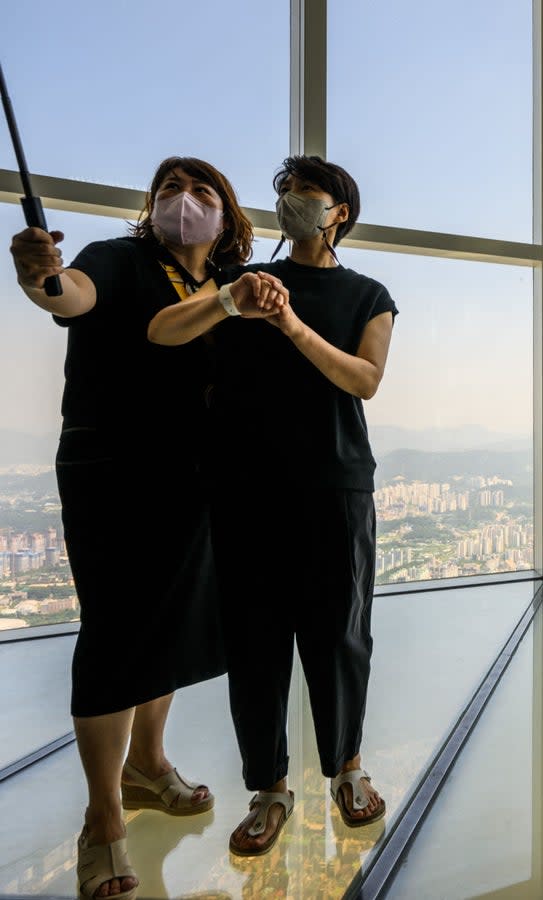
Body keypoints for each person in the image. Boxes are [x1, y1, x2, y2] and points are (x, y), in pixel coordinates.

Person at [8, 156, 275, 900]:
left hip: (197, 474)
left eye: (201, 191)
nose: (183, 202)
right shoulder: (118, 260)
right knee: (118, 631)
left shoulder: (215, 287)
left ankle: (149, 764)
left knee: (174, 622)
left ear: (226, 214)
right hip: (115, 470)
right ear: (149, 209)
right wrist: (39, 274)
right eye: (168, 191)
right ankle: (103, 819)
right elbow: (69, 295)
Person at [148, 155, 394, 855]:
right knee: (255, 644)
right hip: (243, 488)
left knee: (339, 635)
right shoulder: (238, 283)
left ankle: (347, 768)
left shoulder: (368, 294)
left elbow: (365, 379)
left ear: (337, 210)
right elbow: (163, 332)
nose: (290, 201)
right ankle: (269, 787)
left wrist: (288, 325)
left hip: (336, 483)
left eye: (305, 193)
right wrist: (230, 302)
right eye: (284, 191)